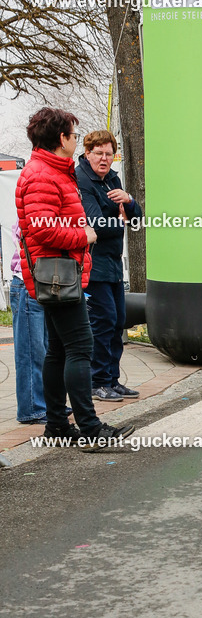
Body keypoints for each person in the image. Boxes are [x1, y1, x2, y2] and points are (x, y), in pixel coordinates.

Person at [15, 107, 135, 449]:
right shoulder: (42, 174)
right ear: (61, 138)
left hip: (58, 275)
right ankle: (91, 428)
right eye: (71, 133)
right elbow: (42, 230)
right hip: (57, 275)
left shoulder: (52, 171)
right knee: (81, 347)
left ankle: (57, 425)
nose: (74, 138)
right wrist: (84, 236)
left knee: (58, 350)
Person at [75, 130, 143, 401]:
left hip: (113, 265)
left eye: (109, 154)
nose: (104, 159)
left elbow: (137, 219)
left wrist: (129, 201)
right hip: (92, 265)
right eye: (98, 153)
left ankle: (112, 380)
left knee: (117, 322)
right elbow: (95, 224)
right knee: (101, 323)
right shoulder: (82, 180)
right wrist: (119, 220)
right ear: (87, 152)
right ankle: (97, 381)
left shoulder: (112, 178)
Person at [9, 219, 49, 423]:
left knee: (45, 350)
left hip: (42, 281)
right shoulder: (32, 210)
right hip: (27, 282)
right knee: (31, 352)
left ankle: (44, 404)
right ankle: (32, 408)